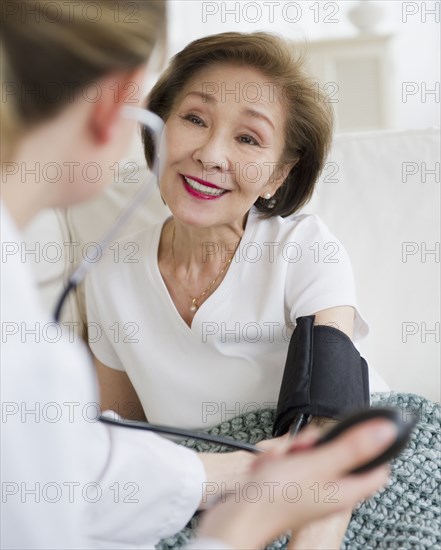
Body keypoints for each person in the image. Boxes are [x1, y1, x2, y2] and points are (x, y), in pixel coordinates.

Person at [1, 3, 394, 549]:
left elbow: (334, 425)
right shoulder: (110, 271)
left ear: (279, 174)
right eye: (194, 119)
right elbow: (120, 444)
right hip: (208, 490)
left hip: (343, 480)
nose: (210, 154)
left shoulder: (304, 250)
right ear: (157, 130)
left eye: (248, 139)